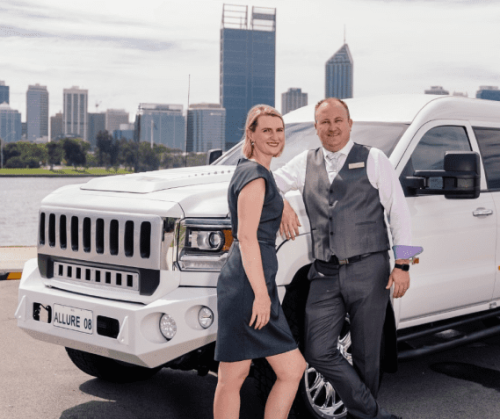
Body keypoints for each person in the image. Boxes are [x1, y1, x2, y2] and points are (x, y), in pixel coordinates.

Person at [273, 98, 415, 419]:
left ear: (350, 124)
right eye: (325, 122)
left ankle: (362, 416)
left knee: (366, 355)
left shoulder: (374, 159)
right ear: (316, 127)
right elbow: (266, 181)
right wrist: (280, 202)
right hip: (324, 274)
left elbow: (399, 214)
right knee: (317, 350)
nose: (332, 128)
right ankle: (374, 414)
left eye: (338, 121)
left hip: (369, 269)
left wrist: (403, 265)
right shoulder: (304, 162)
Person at [214, 105, 307, 419]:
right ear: (251, 135)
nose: (275, 136)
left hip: (250, 281)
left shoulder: (253, 171)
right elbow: (246, 237)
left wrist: (282, 202)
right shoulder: (255, 176)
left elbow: (265, 193)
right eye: (266, 130)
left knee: (283, 370)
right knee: (235, 376)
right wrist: (262, 296)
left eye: (279, 131)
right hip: (249, 287)